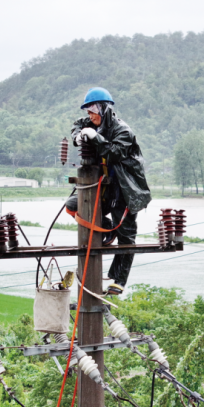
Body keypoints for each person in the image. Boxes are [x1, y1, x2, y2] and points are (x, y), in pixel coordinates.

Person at [65, 87, 151, 295]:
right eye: (88, 111)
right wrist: (78, 136)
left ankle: (119, 280)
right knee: (72, 206)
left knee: (126, 234)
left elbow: (114, 153)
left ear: (103, 109)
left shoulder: (123, 131)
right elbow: (77, 125)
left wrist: (95, 138)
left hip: (125, 189)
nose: (89, 115)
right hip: (102, 186)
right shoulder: (91, 123)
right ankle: (108, 227)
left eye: (92, 111)